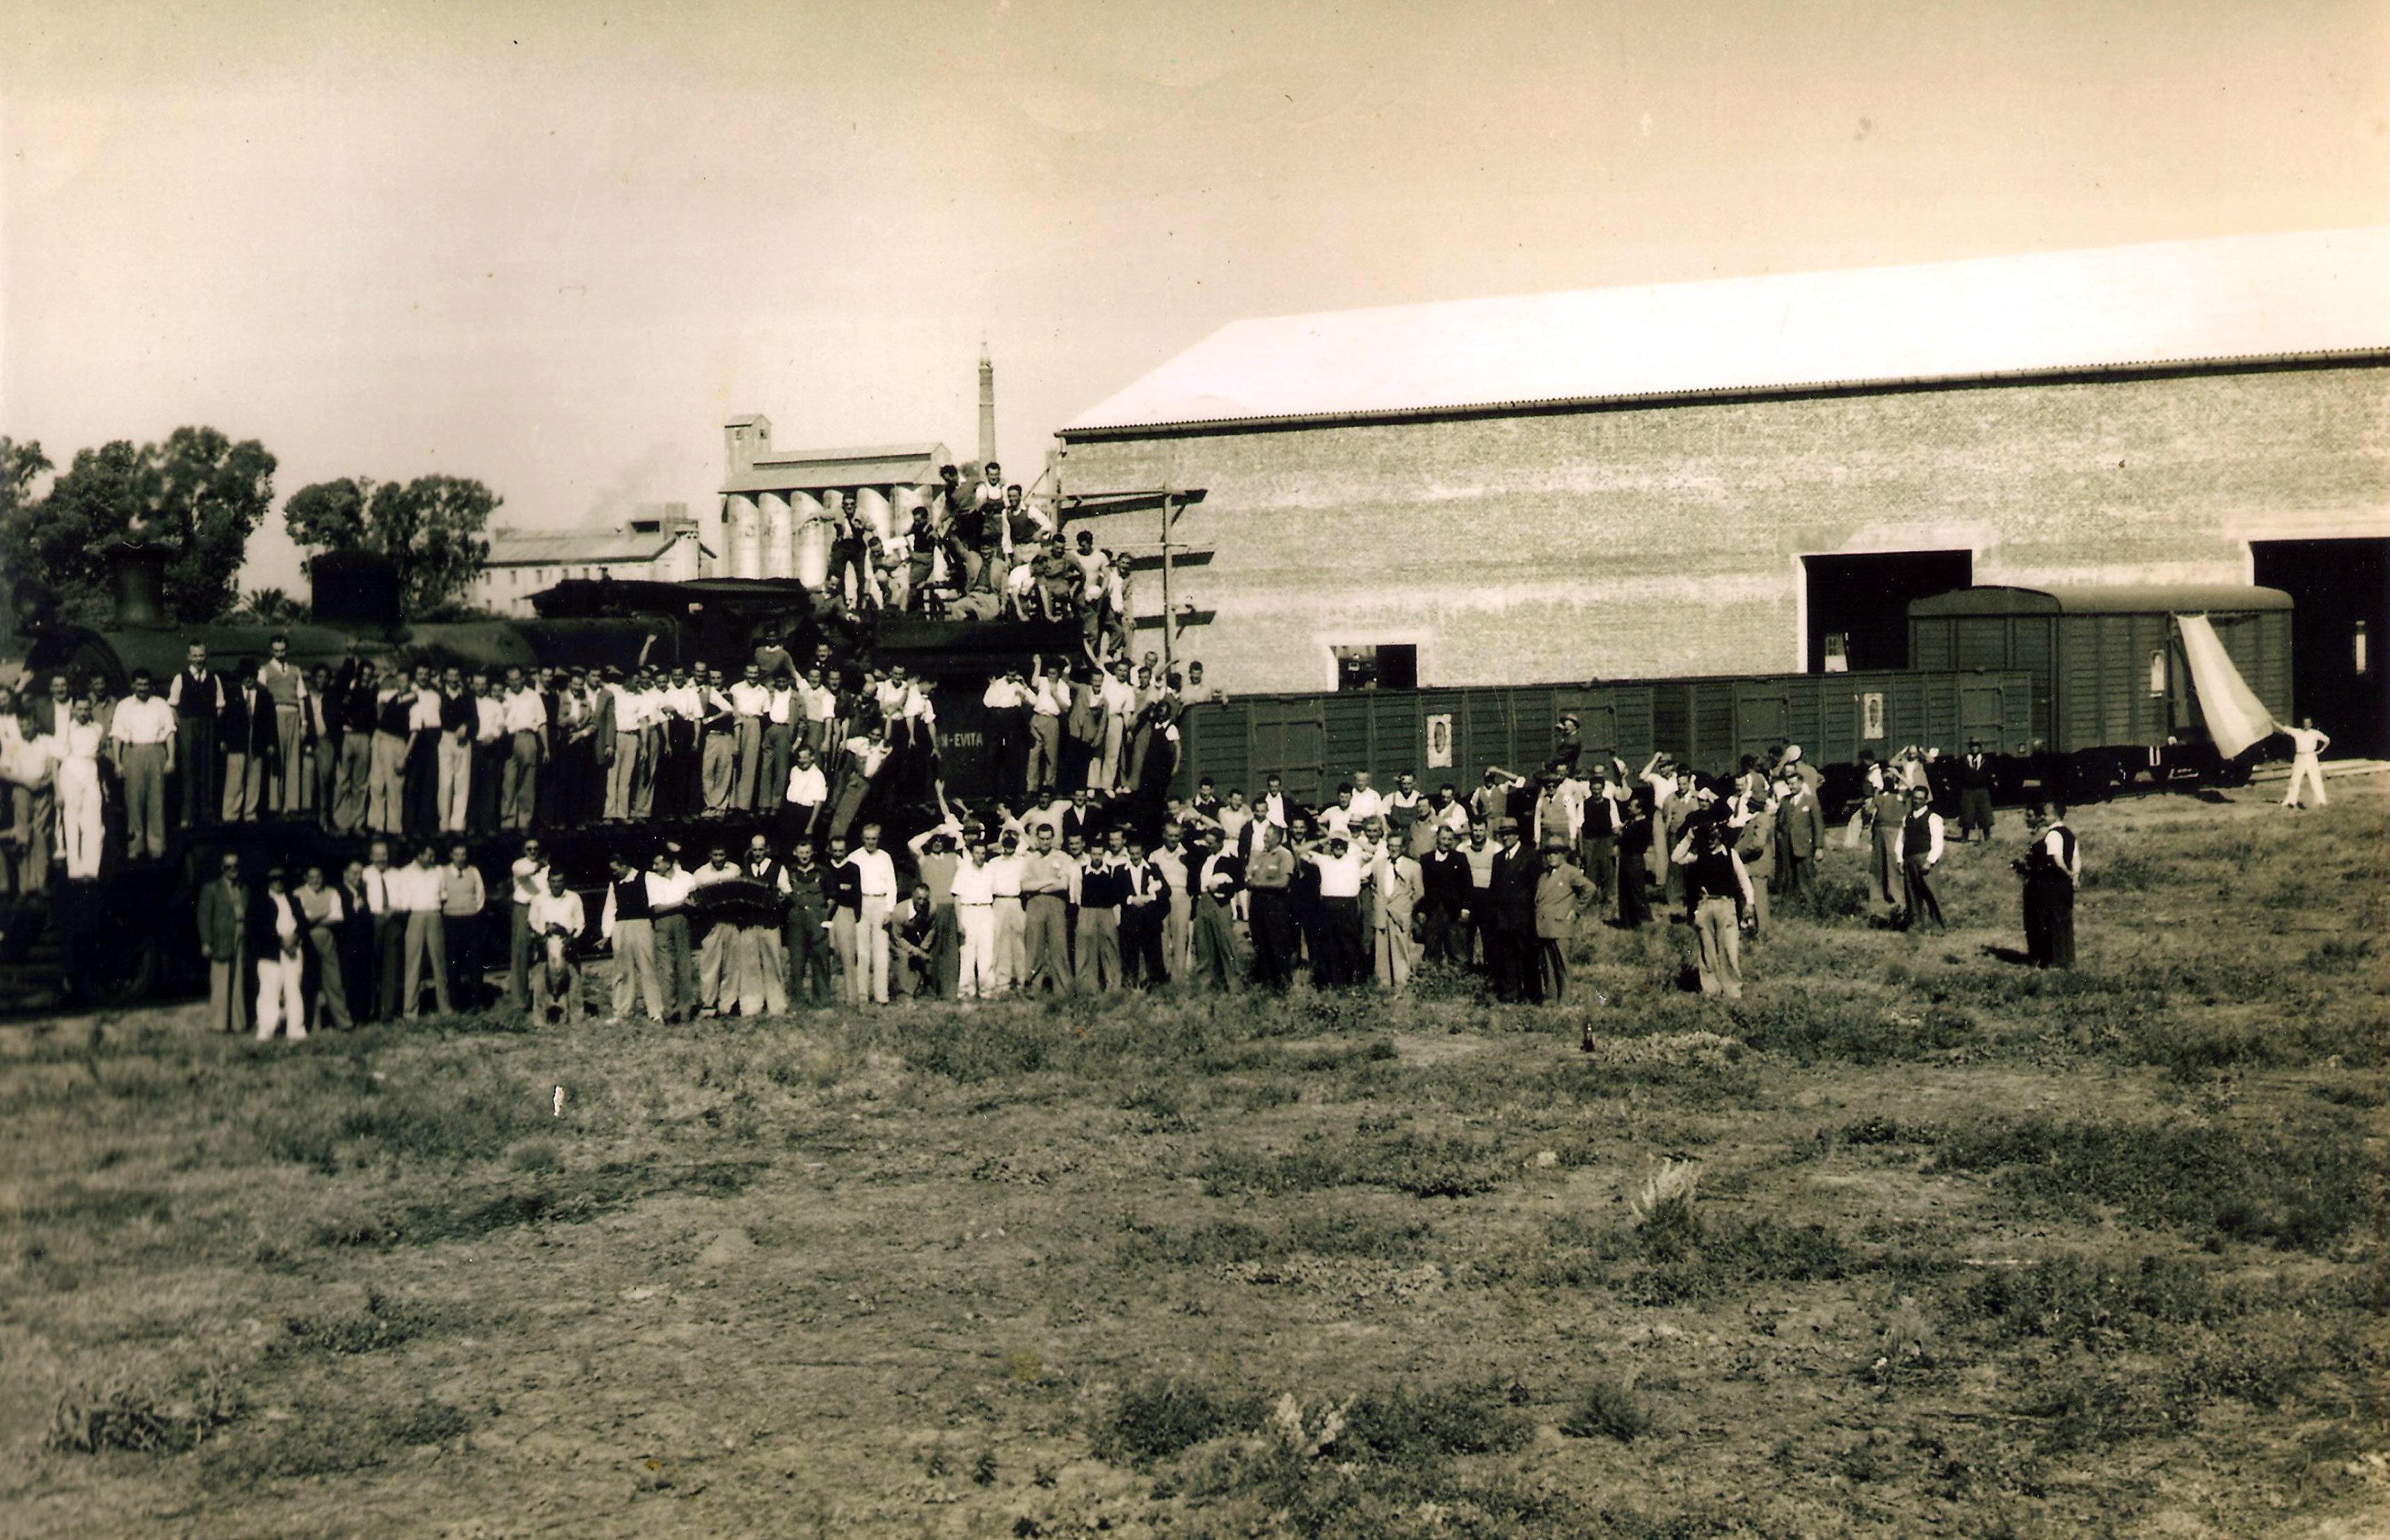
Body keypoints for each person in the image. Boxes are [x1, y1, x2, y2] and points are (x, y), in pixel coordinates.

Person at [1673, 820, 1753, 1000]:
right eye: (1707, 837)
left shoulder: (1730, 855)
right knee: (1707, 951)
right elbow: (1676, 858)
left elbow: (1744, 880)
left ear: (1721, 836)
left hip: (1726, 905)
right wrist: (1690, 836)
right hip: (1706, 905)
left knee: (1729, 950)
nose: (1710, 841)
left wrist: (1750, 903)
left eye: (1714, 837)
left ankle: (1733, 992)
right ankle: (1711, 991)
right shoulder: (1699, 855)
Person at [110, 669, 174, 859]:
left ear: (151, 686)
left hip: (156, 751)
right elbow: (116, 736)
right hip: (132, 752)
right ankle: (135, 845)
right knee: (133, 801)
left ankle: (156, 845)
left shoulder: (160, 705)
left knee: (156, 800)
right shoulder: (123, 706)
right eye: (139, 685)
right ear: (133, 685)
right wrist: (118, 763)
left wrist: (171, 759)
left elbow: (170, 733)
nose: (143, 688)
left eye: (146, 685)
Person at [1532, 840, 1598, 1003]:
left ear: (1563, 855)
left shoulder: (1570, 872)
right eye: (1548, 854)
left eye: (1555, 853)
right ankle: (1551, 997)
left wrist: (1575, 911)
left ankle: (1565, 999)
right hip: (1545, 926)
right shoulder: (1544, 875)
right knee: (1548, 965)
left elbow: (1590, 889)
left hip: (1560, 925)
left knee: (1562, 964)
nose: (1551, 857)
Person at [600, 853, 663, 1022]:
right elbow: (610, 909)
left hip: (642, 925)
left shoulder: (647, 877)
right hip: (621, 927)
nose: (614, 873)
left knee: (648, 968)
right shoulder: (614, 884)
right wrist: (607, 934)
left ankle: (656, 1011)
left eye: (616, 870)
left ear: (625, 866)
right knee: (622, 971)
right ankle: (622, 1012)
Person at [166, 640, 222, 828]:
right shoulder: (180, 678)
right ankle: (187, 815)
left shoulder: (213, 678)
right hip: (187, 726)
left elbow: (220, 706)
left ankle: (207, 813)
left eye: (202, 655)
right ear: (189, 657)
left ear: (206, 656)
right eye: (195, 656)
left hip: (208, 725)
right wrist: (182, 727)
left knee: (208, 769)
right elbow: (172, 706)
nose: (199, 659)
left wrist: (210, 721)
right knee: (188, 771)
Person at [249, 867, 308, 1040]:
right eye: (274, 880)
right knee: (269, 991)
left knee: (294, 990)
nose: (278, 883)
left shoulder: (294, 899)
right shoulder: (260, 902)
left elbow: (303, 923)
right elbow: (258, 929)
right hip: (271, 953)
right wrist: (281, 942)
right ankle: (267, 1030)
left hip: (293, 950)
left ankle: (296, 1029)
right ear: (269, 882)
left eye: (281, 879)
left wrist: (295, 938)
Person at [1485, 819, 1540, 1002]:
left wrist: (1532, 914)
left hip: (1523, 917)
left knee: (1528, 956)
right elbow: (1494, 888)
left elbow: (1535, 887)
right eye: (1503, 834)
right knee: (1507, 956)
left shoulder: (1530, 856)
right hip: (1503, 917)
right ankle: (1511, 992)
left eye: (1509, 834)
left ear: (1517, 835)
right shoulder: (1498, 858)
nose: (1505, 838)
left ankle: (1532, 994)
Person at [1018, 822, 1074, 997]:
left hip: (1056, 904)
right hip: (1035, 904)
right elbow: (1024, 886)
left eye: (1048, 839)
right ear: (1037, 839)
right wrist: (1049, 882)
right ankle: (1033, 988)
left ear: (1053, 839)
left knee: (1059, 946)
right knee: (1035, 947)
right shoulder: (1029, 859)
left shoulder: (1062, 857)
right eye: (1042, 839)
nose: (1045, 842)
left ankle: (1063, 989)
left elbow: (1063, 884)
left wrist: (1039, 887)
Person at [53, 695, 106, 880]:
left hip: (90, 772)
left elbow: (100, 754)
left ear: (91, 710)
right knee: (71, 820)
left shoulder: (98, 729)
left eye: (86, 709)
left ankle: (91, 869)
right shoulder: (66, 729)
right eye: (80, 709)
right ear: (73, 710)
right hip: (70, 772)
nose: (83, 713)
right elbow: (56, 759)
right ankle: (74, 870)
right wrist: (58, 789)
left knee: (94, 820)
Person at [296, 864, 353, 1030]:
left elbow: (337, 917)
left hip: (328, 940)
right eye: (312, 877)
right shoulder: (298, 894)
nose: (316, 881)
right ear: (306, 878)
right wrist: (324, 913)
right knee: (309, 983)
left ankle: (343, 1022)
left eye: (319, 877)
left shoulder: (332, 893)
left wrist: (313, 919)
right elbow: (303, 920)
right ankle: (312, 1024)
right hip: (307, 942)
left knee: (334, 982)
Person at [527, 868, 588, 1024]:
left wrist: (572, 938)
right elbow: (532, 921)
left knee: (574, 982)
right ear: (548, 882)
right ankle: (540, 1021)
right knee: (540, 982)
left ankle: (576, 1019)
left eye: (560, 881)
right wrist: (541, 935)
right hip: (546, 942)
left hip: (566, 943)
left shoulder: (574, 898)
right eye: (553, 881)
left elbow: (580, 923)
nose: (556, 885)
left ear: (564, 882)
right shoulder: (539, 899)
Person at [846, 822, 898, 1005]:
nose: (870, 842)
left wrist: (889, 909)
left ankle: (881, 995)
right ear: (862, 838)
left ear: (878, 839)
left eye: (874, 839)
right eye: (867, 839)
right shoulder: (854, 857)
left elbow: (892, 884)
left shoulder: (885, 857)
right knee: (862, 952)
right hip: (861, 903)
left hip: (880, 903)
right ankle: (862, 994)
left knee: (881, 951)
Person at [197, 851, 249, 1034]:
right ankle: (219, 1024)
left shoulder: (244, 889)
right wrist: (206, 942)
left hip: (240, 937)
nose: (233, 870)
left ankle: (238, 1024)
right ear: (222, 868)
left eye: (236, 866)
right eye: (229, 867)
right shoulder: (212, 889)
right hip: (221, 940)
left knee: (238, 981)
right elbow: (204, 917)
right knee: (221, 982)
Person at [1371, 828, 1424, 992]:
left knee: (1401, 948)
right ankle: (1384, 982)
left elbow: (1419, 892)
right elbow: (1375, 887)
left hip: (1401, 913)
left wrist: (1406, 906)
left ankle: (1402, 982)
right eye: (1391, 846)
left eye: (1397, 846)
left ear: (1403, 848)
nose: (1394, 849)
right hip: (1382, 912)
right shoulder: (1379, 865)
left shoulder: (1413, 866)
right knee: (1382, 949)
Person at [221, 664, 274, 824]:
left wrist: (271, 743)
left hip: (257, 740)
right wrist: (223, 739)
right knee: (234, 778)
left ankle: (250, 813)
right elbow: (224, 719)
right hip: (237, 740)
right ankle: (230, 814)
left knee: (254, 778)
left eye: (251, 675)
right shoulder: (232, 694)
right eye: (245, 676)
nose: (248, 679)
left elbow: (270, 721)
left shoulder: (264, 695)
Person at [648, 846, 696, 1021]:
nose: (654, 867)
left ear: (668, 863)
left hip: (682, 921)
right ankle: (670, 1011)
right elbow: (657, 908)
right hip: (662, 923)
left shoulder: (686, 877)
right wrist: (680, 904)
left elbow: (694, 901)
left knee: (684, 965)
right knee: (666, 967)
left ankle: (685, 1011)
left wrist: (684, 905)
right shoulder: (653, 880)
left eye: (657, 864)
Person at [783, 839, 835, 1004]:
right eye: (801, 853)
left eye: (807, 852)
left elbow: (832, 897)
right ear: (795, 853)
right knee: (797, 960)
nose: (804, 856)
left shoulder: (823, 872)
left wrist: (824, 917)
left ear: (812, 853)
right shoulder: (789, 872)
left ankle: (822, 998)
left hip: (818, 917)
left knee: (820, 957)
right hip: (797, 918)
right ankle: (797, 1000)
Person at [1891, 784, 1947, 933]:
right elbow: (1901, 840)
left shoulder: (1933, 818)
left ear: (1926, 800)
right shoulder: (1907, 818)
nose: (1917, 801)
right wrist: (1900, 860)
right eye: (1915, 798)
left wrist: (1930, 861)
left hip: (1925, 859)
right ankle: (1916, 925)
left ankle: (1938, 927)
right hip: (1909, 859)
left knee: (1932, 894)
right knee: (1912, 895)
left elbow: (1938, 842)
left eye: (1921, 799)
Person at [500, 665, 547, 830]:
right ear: (507, 681)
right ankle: (507, 822)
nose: (514, 683)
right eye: (511, 680)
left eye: (517, 679)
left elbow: (542, 723)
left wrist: (546, 748)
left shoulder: (533, 696)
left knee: (527, 782)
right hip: (508, 740)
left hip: (527, 737)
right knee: (508, 781)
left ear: (523, 679)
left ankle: (524, 822)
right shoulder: (504, 696)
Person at [440, 842, 487, 1008]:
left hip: (471, 921)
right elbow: (441, 894)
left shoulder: (473, 871)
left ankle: (476, 1001)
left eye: (463, 855)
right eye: (457, 855)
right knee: (454, 962)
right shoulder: (443, 872)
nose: (461, 858)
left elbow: (480, 895)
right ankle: (456, 1003)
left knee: (474, 961)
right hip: (452, 921)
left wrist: (472, 909)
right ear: (451, 856)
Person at [507, 840, 548, 1011]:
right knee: (521, 953)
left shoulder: (547, 868)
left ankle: (544, 997)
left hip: (540, 910)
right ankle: (520, 1000)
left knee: (544, 952)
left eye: (536, 849)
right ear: (524, 850)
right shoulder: (519, 865)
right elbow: (524, 875)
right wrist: (538, 867)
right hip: (523, 909)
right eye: (529, 849)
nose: (533, 852)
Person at [1776, 772, 1827, 908]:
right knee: (1790, 877)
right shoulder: (1785, 801)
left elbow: (1819, 825)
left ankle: (1812, 905)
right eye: (1789, 784)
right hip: (1788, 846)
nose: (1791, 787)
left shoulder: (1811, 800)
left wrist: (1819, 847)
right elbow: (1779, 822)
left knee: (1806, 876)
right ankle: (1792, 906)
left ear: (1800, 783)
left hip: (1804, 846)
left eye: (1793, 784)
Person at [2281, 717, 2332, 810]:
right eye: (2304, 723)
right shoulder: (2297, 732)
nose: (2305, 725)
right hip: (2300, 757)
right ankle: (2291, 801)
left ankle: (2321, 800)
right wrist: (2272, 721)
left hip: (2311, 757)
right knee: (2295, 779)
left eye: (2308, 723)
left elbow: (2327, 740)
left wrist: (2320, 750)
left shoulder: (2315, 733)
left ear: (2311, 724)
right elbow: (2284, 729)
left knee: (2315, 778)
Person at [1953, 740, 1996, 842]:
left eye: (1977, 746)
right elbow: (1958, 775)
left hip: (1982, 790)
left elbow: (1990, 775)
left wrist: (1990, 786)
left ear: (1980, 748)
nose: (1974, 748)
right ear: (1969, 748)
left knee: (1985, 813)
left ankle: (1987, 836)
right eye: (1972, 746)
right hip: (1968, 791)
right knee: (1967, 813)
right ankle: (1965, 836)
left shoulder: (1985, 760)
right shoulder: (1964, 760)